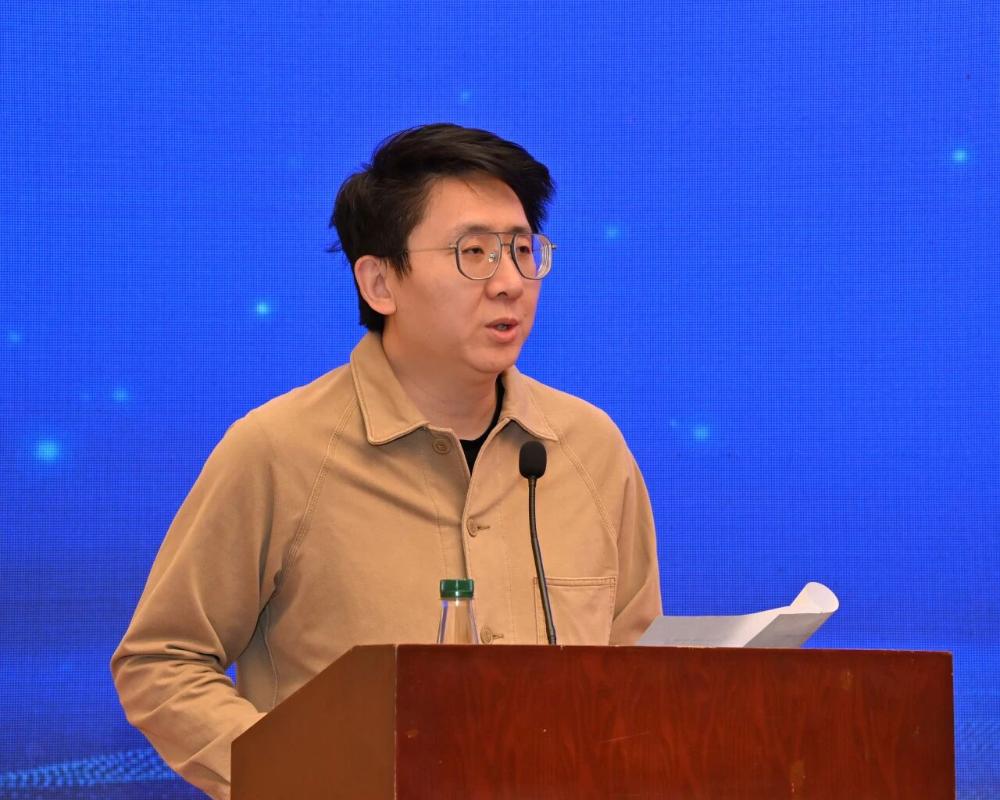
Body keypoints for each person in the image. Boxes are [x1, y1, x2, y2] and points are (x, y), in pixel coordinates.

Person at [111, 123, 662, 799]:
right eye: (474, 253)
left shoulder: (589, 448)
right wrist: (293, 780)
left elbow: (643, 676)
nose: (510, 283)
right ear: (379, 282)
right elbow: (161, 661)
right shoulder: (280, 450)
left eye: (523, 251)